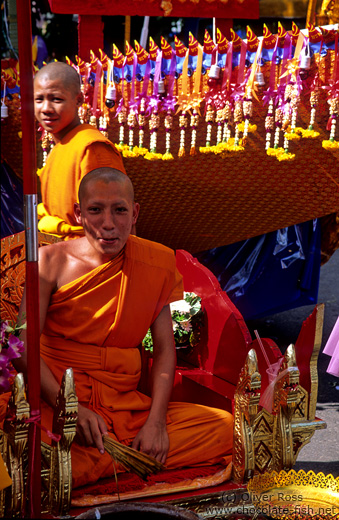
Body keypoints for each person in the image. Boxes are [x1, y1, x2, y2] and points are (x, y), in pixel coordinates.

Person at [2, 167, 233, 489]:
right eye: (96, 210)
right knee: (28, 447)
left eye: (119, 210)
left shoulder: (157, 262)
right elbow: (22, 348)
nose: (108, 224)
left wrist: (156, 425)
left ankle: (100, 459)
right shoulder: (50, 262)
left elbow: (165, 350)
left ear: (134, 213)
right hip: (57, 402)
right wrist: (70, 408)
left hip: (128, 407)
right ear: (80, 214)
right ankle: (114, 459)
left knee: (224, 427)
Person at [34, 61, 126, 240]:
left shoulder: (92, 148)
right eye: (39, 99)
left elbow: (114, 223)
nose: (45, 109)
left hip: (88, 258)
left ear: (78, 100)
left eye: (56, 99)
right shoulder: (60, 148)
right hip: (60, 255)